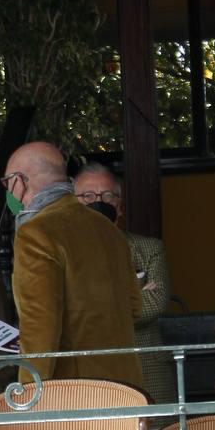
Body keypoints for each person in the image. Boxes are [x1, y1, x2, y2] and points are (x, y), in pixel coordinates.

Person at [2, 143, 143, 388]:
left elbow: (39, 327)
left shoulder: (36, 233)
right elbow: (134, 306)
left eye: (7, 183)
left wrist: (28, 394)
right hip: (126, 385)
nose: (8, 192)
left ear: (20, 181)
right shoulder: (107, 229)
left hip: (75, 391)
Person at [73, 162, 176, 404]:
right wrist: (134, 296)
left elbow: (157, 302)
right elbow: (62, 310)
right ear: (72, 203)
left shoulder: (149, 249)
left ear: (119, 205)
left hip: (147, 376)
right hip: (87, 380)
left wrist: (89, 311)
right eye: (87, 195)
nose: (98, 201)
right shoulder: (59, 254)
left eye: (107, 195)